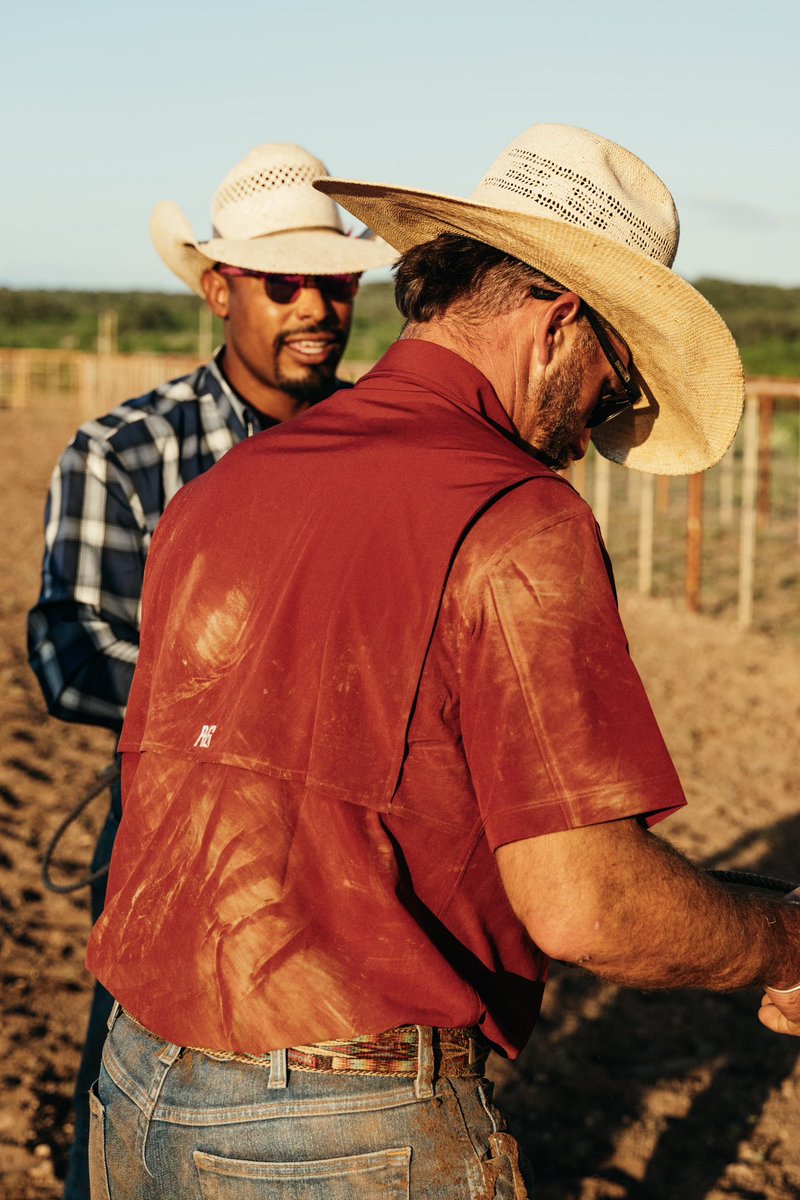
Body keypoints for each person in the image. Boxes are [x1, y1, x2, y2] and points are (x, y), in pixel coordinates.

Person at [85, 124, 800, 1200]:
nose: (603, 412)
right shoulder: (515, 518)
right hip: (339, 1123)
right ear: (562, 322)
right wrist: (782, 941)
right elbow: (582, 904)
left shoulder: (227, 485)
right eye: (616, 370)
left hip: (136, 1082)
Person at [27, 141, 396, 1200]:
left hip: (355, 856)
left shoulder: (392, 461)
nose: (316, 310)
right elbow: (68, 649)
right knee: (134, 1101)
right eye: (284, 284)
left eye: (332, 283)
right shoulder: (125, 453)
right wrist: (271, 709)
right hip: (168, 848)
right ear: (218, 289)